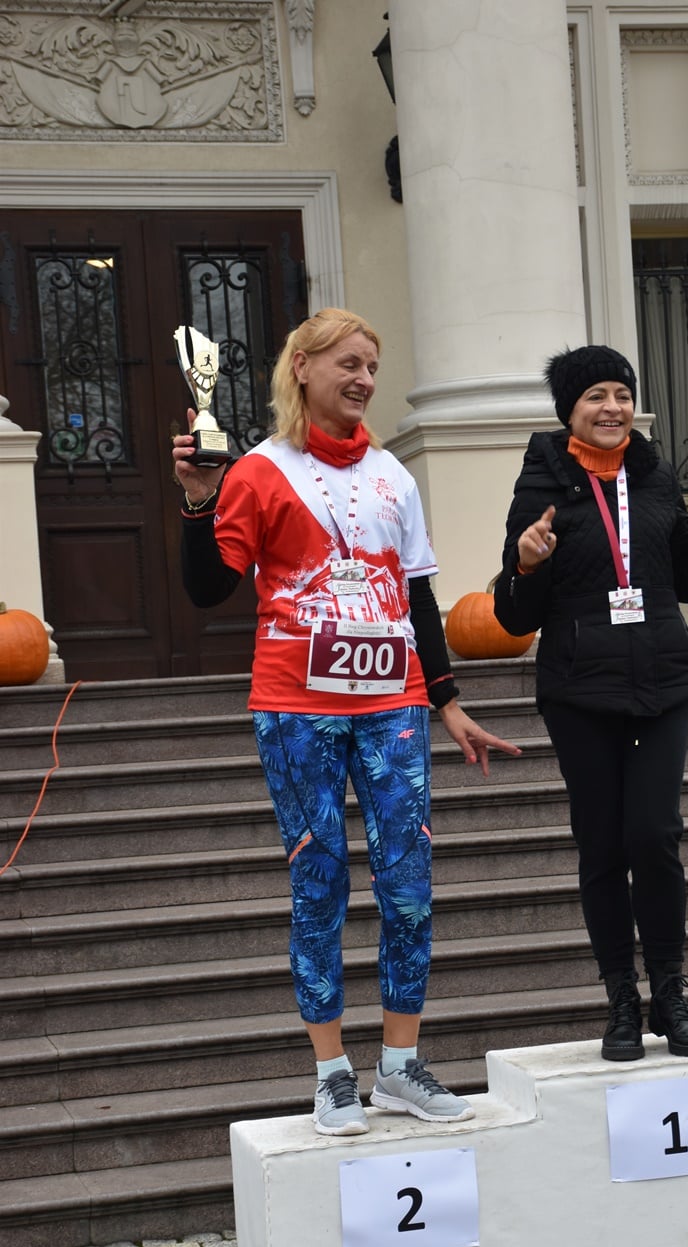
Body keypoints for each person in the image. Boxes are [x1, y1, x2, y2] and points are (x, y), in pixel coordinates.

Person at [172, 307, 520, 1136]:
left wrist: (446, 700)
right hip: (297, 706)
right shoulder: (259, 471)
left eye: (371, 367)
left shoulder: (394, 475)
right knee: (319, 880)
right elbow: (208, 591)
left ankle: (399, 1065)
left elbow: (419, 596)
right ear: (302, 366)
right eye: (349, 364)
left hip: (393, 702)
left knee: (409, 882)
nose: (364, 379)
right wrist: (197, 501)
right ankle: (332, 1074)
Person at [494, 345, 688, 1063]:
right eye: (596, 397)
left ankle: (671, 992)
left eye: (621, 395)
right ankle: (621, 999)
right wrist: (526, 565)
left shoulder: (655, 476)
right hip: (580, 689)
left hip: (663, 679)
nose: (612, 408)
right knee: (603, 845)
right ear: (569, 410)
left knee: (655, 835)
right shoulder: (541, 482)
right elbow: (514, 616)